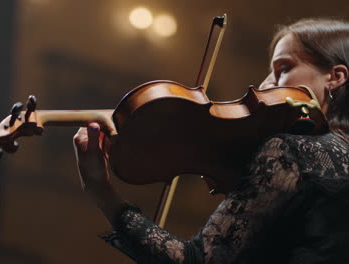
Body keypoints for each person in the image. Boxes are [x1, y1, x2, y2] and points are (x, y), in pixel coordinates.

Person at [73, 18, 349, 264]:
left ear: (335, 77)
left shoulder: (293, 152)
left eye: (283, 68)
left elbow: (199, 260)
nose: (266, 84)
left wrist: (102, 191)